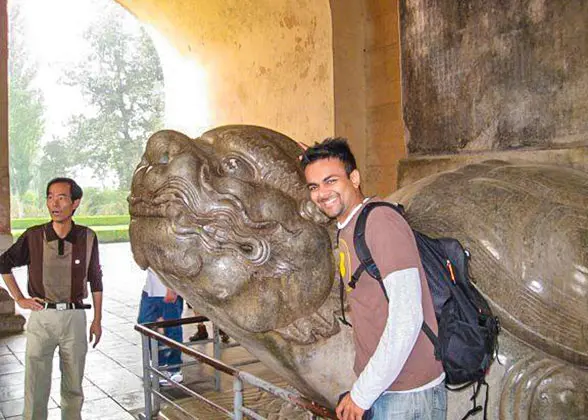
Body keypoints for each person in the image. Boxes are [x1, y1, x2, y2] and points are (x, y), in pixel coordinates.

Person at [301, 138, 446, 420]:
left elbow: (407, 316)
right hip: (385, 387)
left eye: (331, 181)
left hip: (406, 394)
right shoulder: (348, 226)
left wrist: (362, 394)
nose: (322, 193)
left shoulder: (380, 223)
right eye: (314, 186)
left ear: (354, 178)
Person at [0, 177, 103, 420]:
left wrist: (97, 320)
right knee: (35, 385)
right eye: (50, 197)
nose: (54, 203)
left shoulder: (88, 237)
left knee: (73, 386)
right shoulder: (34, 236)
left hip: (75, 318)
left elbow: (95, 279)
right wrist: (20, 299)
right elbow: (4, 264)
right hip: (41, 317)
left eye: (61, 197)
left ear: (75, 202)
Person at [137, 268, 184, 385]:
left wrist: (172, 288)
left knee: (172, 330)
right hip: (149, 291)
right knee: (144, 324)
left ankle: (174, 368)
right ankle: (159, 363)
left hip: (169, 290)